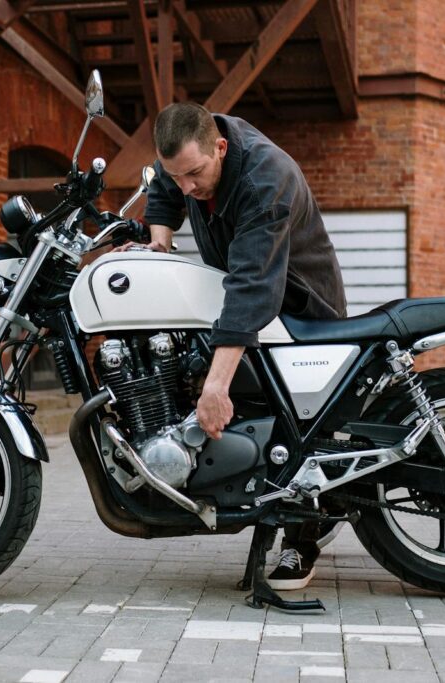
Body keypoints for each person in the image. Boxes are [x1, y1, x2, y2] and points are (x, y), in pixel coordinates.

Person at [138, 101, 347, 590]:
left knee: (297, 430)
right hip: (252, 301)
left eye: (194, 174)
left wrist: (217, 385)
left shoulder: (264, 179)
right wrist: (160, 240)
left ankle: (303, 538)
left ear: (221, 148)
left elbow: (254, 287)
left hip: (299, 306)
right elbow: (165, 186)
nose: (187, 186)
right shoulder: (189, 153)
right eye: (178, 175)